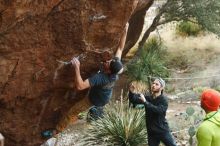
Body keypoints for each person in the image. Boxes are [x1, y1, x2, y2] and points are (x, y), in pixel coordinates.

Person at [129, 78, 176, 146]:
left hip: (162, 130)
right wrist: (131, 92)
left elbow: (157, 110)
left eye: (156, 84)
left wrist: (145, 102)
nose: (153, 85)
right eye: (153, 83)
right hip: (151, 132)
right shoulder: (148, 98)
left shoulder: (164, 100)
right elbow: (134, 100)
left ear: (161, 88)